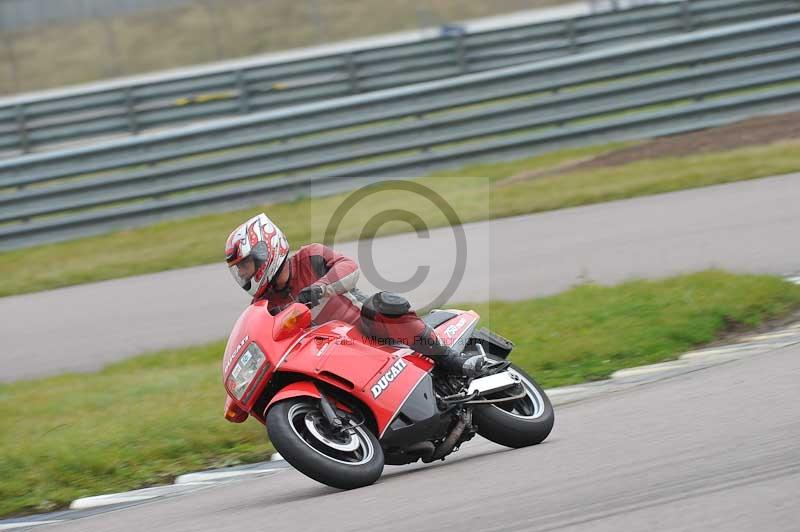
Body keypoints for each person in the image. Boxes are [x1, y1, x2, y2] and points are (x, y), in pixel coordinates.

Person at [225, 213, 498, 378]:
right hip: (333, 355)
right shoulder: (265, 306)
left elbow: (349, 268)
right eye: (240, 270)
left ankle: (451, 360)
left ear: (266, 250)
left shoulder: (310, 257)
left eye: (246, 265)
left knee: (379, 306)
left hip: (369, 332)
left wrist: (321, 289)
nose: (245, 275)